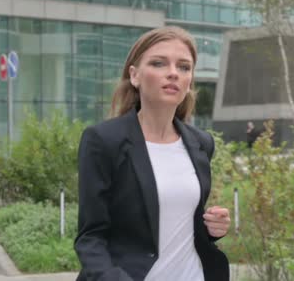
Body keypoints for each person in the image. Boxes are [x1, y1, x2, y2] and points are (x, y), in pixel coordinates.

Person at [75, 26, 231, 281]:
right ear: (135, 76)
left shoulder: (201, 143)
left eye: (184, 67)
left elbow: (177, 222)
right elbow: (90, 238)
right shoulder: (103, 141)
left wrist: (213, 228)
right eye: (159, 63)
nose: (173, 73)